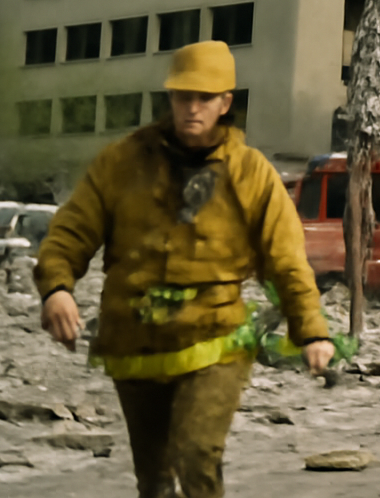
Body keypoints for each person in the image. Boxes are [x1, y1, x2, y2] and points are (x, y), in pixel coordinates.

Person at [34, 41, 333, 498]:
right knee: (153, 482)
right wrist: (57, 287)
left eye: (205, 98)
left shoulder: (251, 174)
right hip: (133, 339)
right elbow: (71, 231)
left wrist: (311, 331)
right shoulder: (122, 163)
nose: (192, 108)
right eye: (183, 96)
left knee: (195, 455)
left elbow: (286, 258)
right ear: (170, 98)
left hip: (215, 338)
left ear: (225, 103)